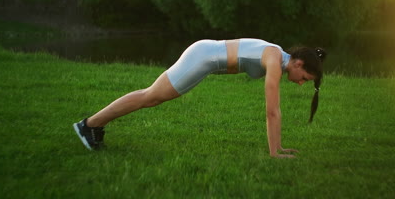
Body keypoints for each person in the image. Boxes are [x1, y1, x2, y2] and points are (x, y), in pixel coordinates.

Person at [73, 38, 326, 158]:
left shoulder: (279, 58)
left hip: (205, 55)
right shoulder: (274, 58)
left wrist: (279, 147)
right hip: (204, 57)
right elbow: (272, 110)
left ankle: (92, 125)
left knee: (150, 96)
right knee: (151, 96)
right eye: (304, 77)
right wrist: (275, 153)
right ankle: (90, 125)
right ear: (298, 62)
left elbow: (274, 110)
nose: (302, 83)